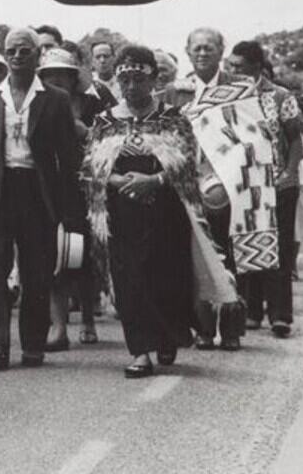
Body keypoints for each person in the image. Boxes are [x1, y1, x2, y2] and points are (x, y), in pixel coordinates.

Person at [0, 27, 83, 371]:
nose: (16, 57)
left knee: (36, 271)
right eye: (11, 51)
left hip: (37, 192)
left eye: (24, 51)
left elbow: (68, 156)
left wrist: (69, 207)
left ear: (36, 56)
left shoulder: (54, 99)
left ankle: (33, 344)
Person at [82, 46, 201, 378]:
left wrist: (155, 180)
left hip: (166, 211)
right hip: (121, 213)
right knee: (129, 278)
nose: (131, 87)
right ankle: (140, 351)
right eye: (125, 80)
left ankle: (166, 335)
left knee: (165, 277)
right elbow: (90, 166)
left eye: (138, 79)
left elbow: (190, 163)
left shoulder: (172, 118)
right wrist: (119, 181)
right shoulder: (105, 121)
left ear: (153, 79)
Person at [163, 27, 245, 351]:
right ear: (186, 52)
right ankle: (204, 328)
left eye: (209, 48)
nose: (202, 54)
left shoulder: (239, 90)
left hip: (228, 182)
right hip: (186, 182)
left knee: (230, 252)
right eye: (196, 48)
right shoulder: (175, 92)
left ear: (221, 51)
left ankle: (233, 328)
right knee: (195, 253)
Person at [224, 41, 303, 338]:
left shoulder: (281, 96)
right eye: (230, 66)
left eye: (238, 67)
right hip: (245, 181)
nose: (232, 72)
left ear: (257, 67)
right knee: (248, 243)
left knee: (280, 248)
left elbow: (296, 141)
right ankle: (253, 312)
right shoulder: (228, 97)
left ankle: (280, 315)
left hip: (280, 182)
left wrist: (289, 172)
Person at [37, 48, 102, 350]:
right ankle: (58, 326)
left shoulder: (92, 103)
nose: (55, 79)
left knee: (84, 256)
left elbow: (107, 140)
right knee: (53, 256)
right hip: (48, 187)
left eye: (61, 74)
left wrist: (84, 131)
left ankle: (88, 317)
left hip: (84, 187)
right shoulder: (38, 102)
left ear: (72, 77)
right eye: (49, 74)